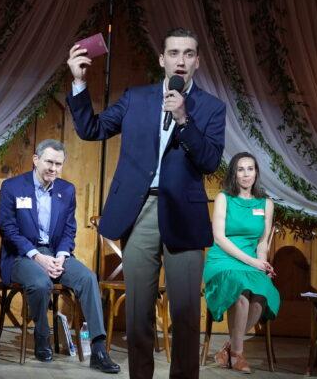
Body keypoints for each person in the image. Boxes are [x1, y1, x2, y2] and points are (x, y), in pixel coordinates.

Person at [66, 27, 226, 379]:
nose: (180, 60)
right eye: (173, 53)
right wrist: (79, 84)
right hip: (140, 213)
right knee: (138, 313)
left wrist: (184, 119)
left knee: (185, 313)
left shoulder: (212, 108)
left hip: (184, 215)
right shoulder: (136, 98)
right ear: (162, 59)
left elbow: (210, 161)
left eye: (188, 54)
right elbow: (92, 129)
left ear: (197, 61)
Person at [0, 139, 120, 374]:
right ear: (36, 160)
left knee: (87, 278)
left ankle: (99, 348)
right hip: (21, 255)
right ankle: (42, 336)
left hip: (55, 255)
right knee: (40, 283)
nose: (53, 169)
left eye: (58, 164)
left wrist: (61, 257)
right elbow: (8, 230)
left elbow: (68, 230)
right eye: (49, 162)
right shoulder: (13, 187)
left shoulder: (66, 189)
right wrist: (37, 257)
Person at [203, 152, 280, 373]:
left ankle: (228, 347)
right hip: (223, 259)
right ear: (234, 174)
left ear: (256, 172)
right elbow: (219, 237)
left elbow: (263, 242)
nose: (246, 174)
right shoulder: (223, 198)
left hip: (251, 260)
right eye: (240, 169)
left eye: (250, 168)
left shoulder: (266, 203)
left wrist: (262, 265)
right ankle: (237, 355)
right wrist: (252, 262)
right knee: (242, 291)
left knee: (261, 293)